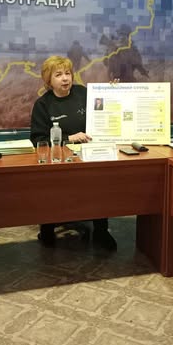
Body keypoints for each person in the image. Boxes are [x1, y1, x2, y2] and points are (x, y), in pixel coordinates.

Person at [30, 55, 117, 250]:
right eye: (58, 75)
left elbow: (106, 107)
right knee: (50, 187)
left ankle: (101, 230)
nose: (65, 78)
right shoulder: (43, 105)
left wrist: (113, 92)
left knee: (101, 183)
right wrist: (69, 138)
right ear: (48, 80)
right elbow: (38, 139)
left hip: (89, 157)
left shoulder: (84, 94)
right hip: (58, 161)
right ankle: (47, 228)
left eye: (67, 73)